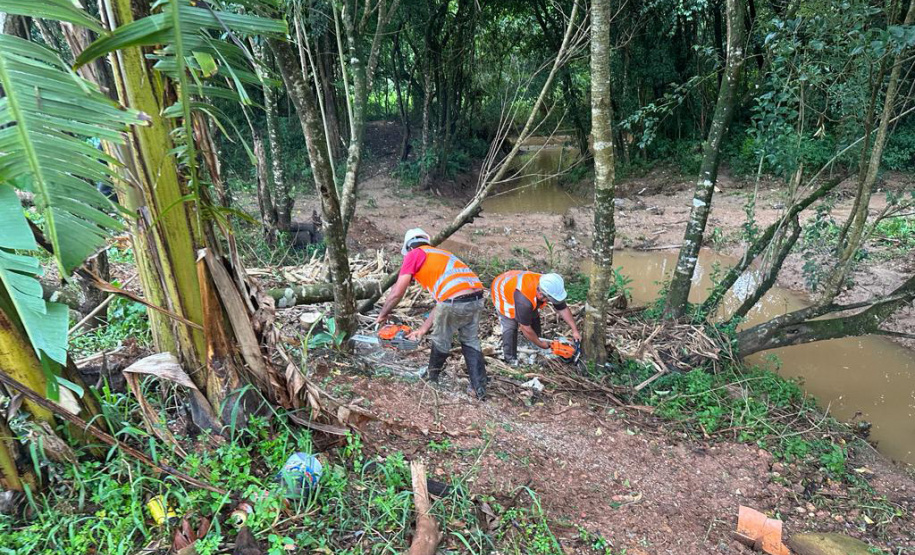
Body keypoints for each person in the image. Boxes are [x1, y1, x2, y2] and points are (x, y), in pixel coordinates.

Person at [375, 229, 488, 399]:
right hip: (477, 299)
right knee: (470, 340)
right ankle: (479, 388)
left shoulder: (414, 254)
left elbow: (397, 292)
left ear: (409, 247)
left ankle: (432, 378)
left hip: (454, 301)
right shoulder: (441, 255)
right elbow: (443, 301)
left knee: (441, 340)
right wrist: (422, 329)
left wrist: (383, 314)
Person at [491, 270, 581, 364]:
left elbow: (563, 309)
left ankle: (534, 341)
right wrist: (540, 344)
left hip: (515, 282)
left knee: (531, 314)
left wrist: (575, 330)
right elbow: (525, 327)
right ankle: (510, 358)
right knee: (511, 325)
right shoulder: (524, 302)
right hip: (502, 290)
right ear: (541, 294)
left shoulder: (549, 285)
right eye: (548, 299)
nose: (550, 301)